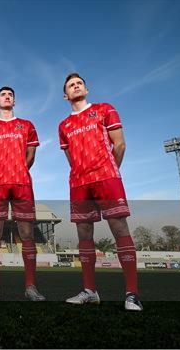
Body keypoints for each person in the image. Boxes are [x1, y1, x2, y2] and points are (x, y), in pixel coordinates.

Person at [58, 73, 143, 311]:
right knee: (84, 233)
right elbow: (71, 158)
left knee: (119, 227)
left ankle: (132, 294)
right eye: (71, 86)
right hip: (79, 183)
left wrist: (108, 170)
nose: (75, 87)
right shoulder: (63, 125)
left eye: (79, 84)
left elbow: (120, 144)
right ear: (65, 95)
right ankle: (89, 290)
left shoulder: (105, 109)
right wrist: (82, 175)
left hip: (106, 178)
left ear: (86, 88)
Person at [0, 86, 45, 301]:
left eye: (10, 95)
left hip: (22, 184)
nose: (7, 97)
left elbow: (30, 155)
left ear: (14, 101)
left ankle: (31, 286)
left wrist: (18, 172)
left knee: (26, 233)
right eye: (3, 95)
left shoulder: (26, 125)